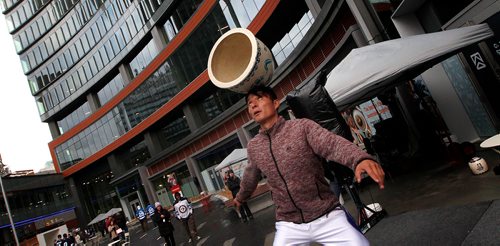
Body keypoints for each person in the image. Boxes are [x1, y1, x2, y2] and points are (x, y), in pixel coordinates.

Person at [234, 85, 385, 245]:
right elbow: (250, 176)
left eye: (259, 98)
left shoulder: (302, 127)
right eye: (249, 103)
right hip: (289, 224)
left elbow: (332, 144)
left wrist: (360, 159)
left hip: (326, 215)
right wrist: (240, 197)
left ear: (276, 103)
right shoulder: (254, 146)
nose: (253, 105)